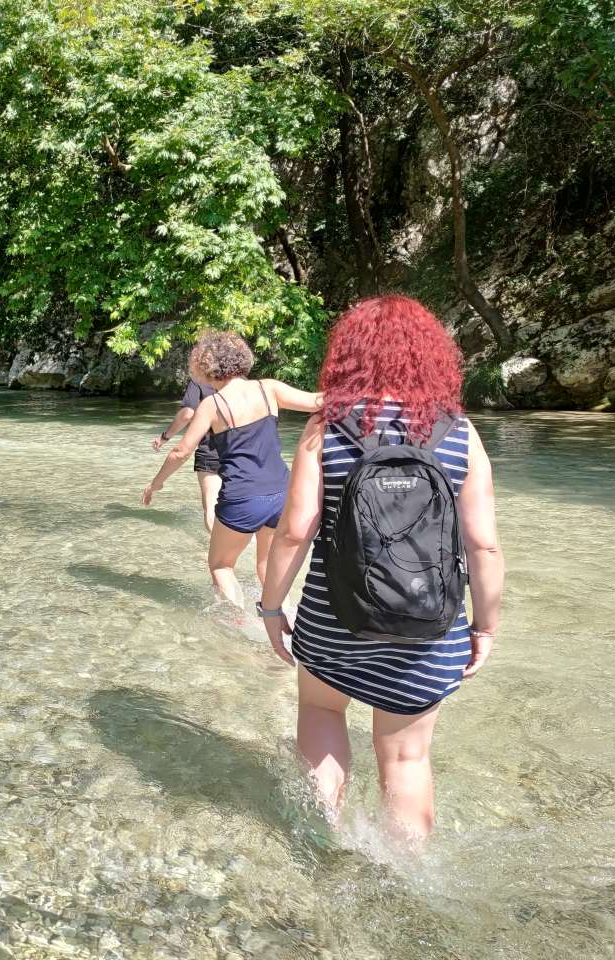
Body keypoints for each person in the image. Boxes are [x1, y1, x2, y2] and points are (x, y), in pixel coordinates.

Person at [257, 296, 502, 844]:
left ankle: (319, 844)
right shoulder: (460, 432)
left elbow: (294, 530)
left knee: (322, 713)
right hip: (429, 627)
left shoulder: (327, 427)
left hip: (334, 620)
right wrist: (485, 627)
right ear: (432, 357)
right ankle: (407, 871)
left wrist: (271, 607)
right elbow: (483, 546)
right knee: (407, 757)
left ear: (348, 355)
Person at [141, 330, 321, 606]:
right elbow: (319, 401)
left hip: (243, 497)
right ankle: (281, 619)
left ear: (206, 365)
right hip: (281, 493)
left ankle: (236, 623)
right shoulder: (268, 388)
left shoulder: (211, 405)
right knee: (266, 566)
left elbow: (181, 452)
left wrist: (157, 483)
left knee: (221, 565)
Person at [153, 349, 223, 536]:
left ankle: (218, 552)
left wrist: (164, 437)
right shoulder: (242, 383)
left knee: (212, 509)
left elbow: (187, 414)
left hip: (212, 450)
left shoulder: (199, 382)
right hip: (243, 448)